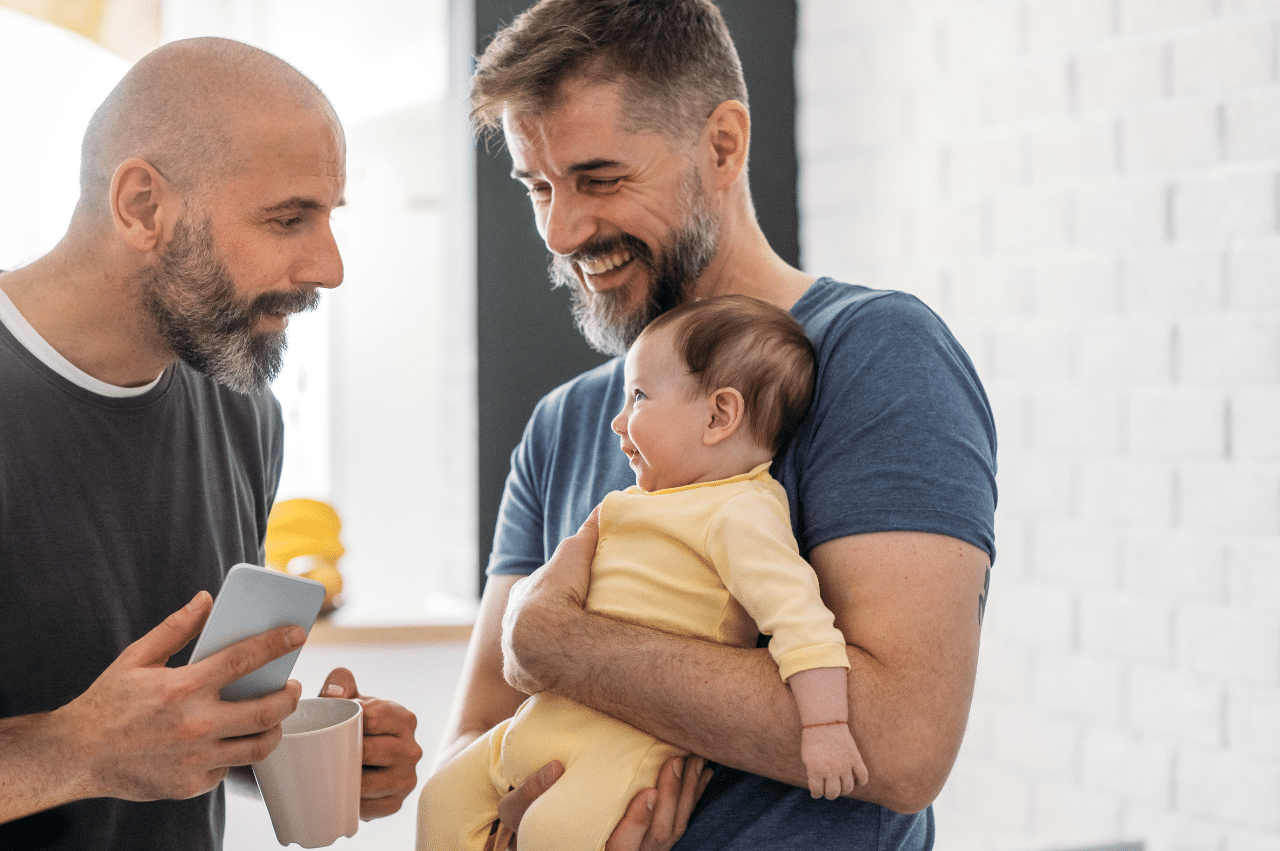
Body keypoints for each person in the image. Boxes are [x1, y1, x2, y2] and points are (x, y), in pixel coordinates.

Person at [433, 0, 997, 849]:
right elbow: (475, 740)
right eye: (538, 186)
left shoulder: (876, 355)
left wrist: (563, 645)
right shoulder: (564, 423)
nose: (561, 229)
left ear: (723, 144)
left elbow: (900, 742)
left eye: (600, 178)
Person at [0, 37, 422, 850]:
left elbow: (172, 731)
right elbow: (111, 747)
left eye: (330, 217)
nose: (329, 266)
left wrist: (296, 745)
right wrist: (78, 750)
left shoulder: (242, 408)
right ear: (142, 207)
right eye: (288, 218)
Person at [420, 295, 869, 850]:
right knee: (440, 798)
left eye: (639, 397)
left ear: (718, 415)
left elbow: (804, 627)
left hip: (624, 745)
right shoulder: (631, 502)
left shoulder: (741, 512)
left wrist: (826, 729)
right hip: (542, 719)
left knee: (552, 832)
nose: (618, 420)